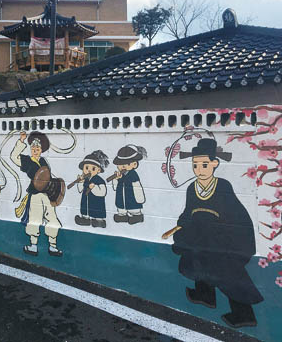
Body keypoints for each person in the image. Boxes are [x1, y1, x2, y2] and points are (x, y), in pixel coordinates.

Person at [170, 138, 263, 328]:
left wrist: (218, 233)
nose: (199, 169)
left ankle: (244, 314)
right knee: (196, 259)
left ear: (214, 164)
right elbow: (188, 212)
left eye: (204, 165)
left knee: (228, 275)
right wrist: (181, 226)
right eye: (195, 165)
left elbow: (235, 216)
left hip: (223, 239)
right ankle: (205, 295)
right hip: (200, 237)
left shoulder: (222, 187)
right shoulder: (192, 188)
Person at [11, 131, 62, 257]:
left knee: (52, 219)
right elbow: (14, 157)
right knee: (35, 219)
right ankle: (33, 246)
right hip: (35, 194)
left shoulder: (44, 161)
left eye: (37, 148)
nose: (35, 150)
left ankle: (53, 246)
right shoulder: (27, 160)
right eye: (33, 148)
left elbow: (48, 175)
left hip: (47, 194)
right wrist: (21, 141)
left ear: (41, 150)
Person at [111, 145, 147, 224]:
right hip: (121, 200)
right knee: (121, 209)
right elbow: (115, 187)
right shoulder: (120, 175)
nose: (123, 166)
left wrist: (140, 199)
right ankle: (122, 216)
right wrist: (116, 179)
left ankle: (137, 216)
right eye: (120, 164)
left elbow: (137, 187)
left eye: (126, 164)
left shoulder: (133, 175)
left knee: (134, 209)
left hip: (132, 200)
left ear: (134, 164)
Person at [74, 150, 109, 228]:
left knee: (97, 212)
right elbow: (80, 190)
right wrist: (80, 182)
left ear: (98, 170)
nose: (89, 170)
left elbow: (103, 192)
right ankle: (85, 219)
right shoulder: (85, 179)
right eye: (86, 168)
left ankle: (99, 221)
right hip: (86, 202)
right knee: (85, 211)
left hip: (96, 202)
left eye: (93, 168)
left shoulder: (99, 180)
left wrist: (94, 188)